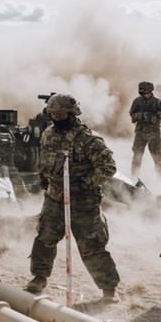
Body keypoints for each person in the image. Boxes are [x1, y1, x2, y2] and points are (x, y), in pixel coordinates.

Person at [25, 93, 121, 299]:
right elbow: (44, 160)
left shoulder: (88, 140)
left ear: (72, 113)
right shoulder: (48, 134)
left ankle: (108, 288)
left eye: (61, 114)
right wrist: (44, 180)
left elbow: (108, 167)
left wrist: (86, 183)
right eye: (53, 114)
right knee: (44, 239)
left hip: (84, 202)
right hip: (54, 198)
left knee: (92, 246)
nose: (57, 118)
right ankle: (39, 277)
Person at [130, 81, 161, 178]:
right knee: (137, 157)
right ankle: (134, 178)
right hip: (140, 133)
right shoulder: (137, 101)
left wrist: (160, 113)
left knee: (157, 158)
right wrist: (140, 116)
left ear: (150, 90)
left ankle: (159, 180)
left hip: (154, 133)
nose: (143, 92)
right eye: (141, 90)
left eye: (144, 90)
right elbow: (132, 114)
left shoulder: (158, 102)